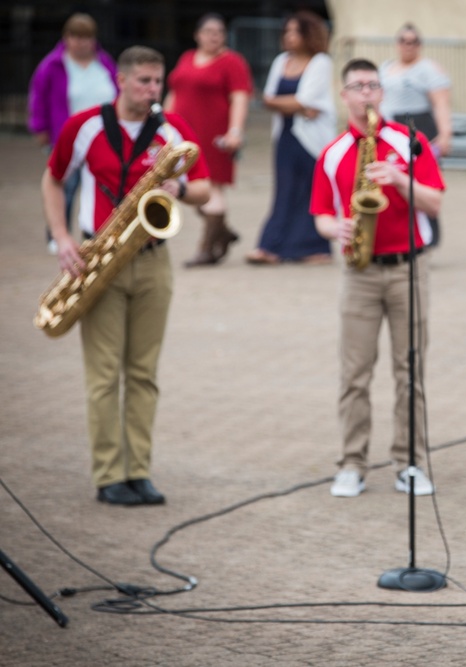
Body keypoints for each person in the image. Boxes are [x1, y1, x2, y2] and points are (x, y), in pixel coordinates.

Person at [41, 46, 211, 506]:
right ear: (121, 80)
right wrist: (62, 237)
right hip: (99, 257)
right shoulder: (85, 126)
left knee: (143, 373)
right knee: (103, 375)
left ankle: (139, 471)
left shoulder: (172, 131)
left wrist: (182, 188)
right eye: (144, 81)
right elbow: (53, 178)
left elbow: (206, 189)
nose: (153, 91)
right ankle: (108, 475)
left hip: (154, 260)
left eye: (158, 82)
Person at [311, 58, 445, 498]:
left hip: (409, 267)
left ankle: (410, 463)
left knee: (411, 371)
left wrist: (400, 179)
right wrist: (338, 229)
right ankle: (351, 463)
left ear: (381, 93)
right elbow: (321, 218)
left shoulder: (410, 142)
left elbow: (434, 203)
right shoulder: (332, 153)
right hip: (360, 270)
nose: (366, 93)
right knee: (355, 373)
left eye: (373, 85)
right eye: (357, 86)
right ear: (345, 95)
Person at [247, 10, 335, 265]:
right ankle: (270, 246)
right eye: (287, 31)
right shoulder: (281, 61)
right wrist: (294, 104)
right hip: (285, 135)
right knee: (284, 191)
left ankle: (313, 248)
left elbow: (304, 100)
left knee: (311, 192)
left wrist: (287, 103)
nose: (290, 37)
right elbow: (270, 99)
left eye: (295, 31)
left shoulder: (321, 62)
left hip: (311, 138)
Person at [165, 12, 252, 267]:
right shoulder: (187, 58)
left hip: (213, 135)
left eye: (219, 32)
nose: (214, 37)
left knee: (211, 188)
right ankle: (223, 233)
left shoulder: (232, 62)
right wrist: (163, 126)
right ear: (197, 35)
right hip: (184, 134)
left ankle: (207, 249)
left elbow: (240, 97)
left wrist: (235, 131)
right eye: (208, 32)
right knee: (192, 189)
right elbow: (174, 92)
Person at [28, 12, 117, 254]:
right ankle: (58, 234)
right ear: (66, 38)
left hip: (103, 137)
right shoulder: (53, 64)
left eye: (86, 38)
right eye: (76, 37)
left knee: (101, 187)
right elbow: (38, 99)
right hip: (68, 137)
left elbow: (118, 91)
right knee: (65, 187)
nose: (81, 43)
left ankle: (98, 230)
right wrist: (39, 128)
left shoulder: (105, 61)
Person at [379, 22, 452, 247]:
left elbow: (441, 103)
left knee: (421, 183)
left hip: (417, 128)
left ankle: (428, 236)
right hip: (390, 129)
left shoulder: (428, 69)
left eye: (413, 42)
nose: (408, 46)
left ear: (419, 45)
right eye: (403, 41)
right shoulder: (386, 68)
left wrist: (446, 134)